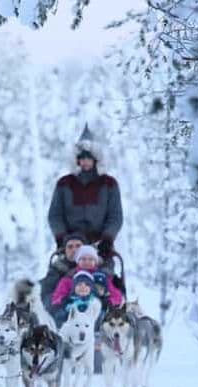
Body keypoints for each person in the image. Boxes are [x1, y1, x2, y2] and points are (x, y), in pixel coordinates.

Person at [47, 124, 123, 263]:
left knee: (107, 281)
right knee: (55, 279)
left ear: (96, 159)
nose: (85, 162)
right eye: (82, 158)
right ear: (77, 159)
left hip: (100, 249)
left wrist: (107, 239)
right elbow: (55, 215)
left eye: (89, 158)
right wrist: (62, 238)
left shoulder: (109, 184)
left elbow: (115, 216)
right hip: (71, 248)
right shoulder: (64, 184)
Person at [50, 245, 123, 310]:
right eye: (83, 259)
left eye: (91, 259)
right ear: (78, 261)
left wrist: (109, 302)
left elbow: (116, 295)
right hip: (74, 312)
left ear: (95, 262)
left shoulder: (101, 277)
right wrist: (63, 301)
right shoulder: (69, 277)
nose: (87, 262)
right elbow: (57, 297)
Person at [39, 232, 85, 314]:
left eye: (78, 246)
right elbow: (47, 298)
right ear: (65, 251)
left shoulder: (97, 267)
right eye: (70, 247)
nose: (74, 250)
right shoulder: (56, 270)